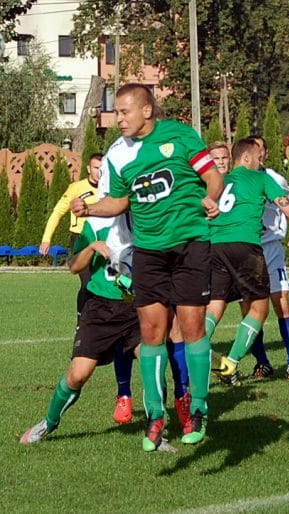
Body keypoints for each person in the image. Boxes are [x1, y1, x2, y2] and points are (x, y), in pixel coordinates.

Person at [71, 83, 223, 451]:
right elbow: (120, 201)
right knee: (150, 332)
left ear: (147, 110)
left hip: (189, 245)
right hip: (149, 253)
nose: (118, 119)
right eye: (116, 113)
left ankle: (198, 408)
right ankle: (155, 415)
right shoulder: (119, 156)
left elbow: (213, 176)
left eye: (124, 112)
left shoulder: (181, 137)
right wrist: (89, 208)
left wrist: (211, 198)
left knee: (190, 326)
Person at [20, 214, 140, 444]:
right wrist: (93, 247)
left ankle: (156, 431)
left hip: (137, 308)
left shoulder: (145, 215)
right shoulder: (95, 223)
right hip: (100, 308)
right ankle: (48, 423)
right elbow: (74, 266)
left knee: (153, 362)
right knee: (77, 375)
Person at [206, 138, 289, 381]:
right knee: (259, 307)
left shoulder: (220, 181)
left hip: (215, 246)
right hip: (245, 246)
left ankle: (197, 348)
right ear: (246, 158)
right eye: (258, 157)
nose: (261, 161)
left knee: (216, 304)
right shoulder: (261, 178)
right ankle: (231, 363)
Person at [243, 135, 289, 383]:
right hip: (246, 250)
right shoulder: (237, 180)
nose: (258, 154)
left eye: (261, 149)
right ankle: (262, 363)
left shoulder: (275, 179)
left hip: (270, 249)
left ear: (265, 153)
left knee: (283, 304)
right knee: (249, 310)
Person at [40, 153, 101, 314]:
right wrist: (46, 239)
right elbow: (58, 212)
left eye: (102, 168)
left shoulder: (110, 189)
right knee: (87, 283)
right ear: (89, 169)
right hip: (81, 240)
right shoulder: (76, 188)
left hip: (103, 241)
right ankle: (81, 322)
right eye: (95, 167)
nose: (98, 171)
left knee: (105, 285)